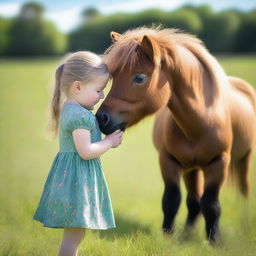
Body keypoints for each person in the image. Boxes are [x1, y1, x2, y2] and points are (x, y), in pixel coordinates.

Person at [33, 51, 123, 256]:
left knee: (75, 234)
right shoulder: (79, 116)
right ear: (77, 87)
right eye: (99, 90)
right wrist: (108, 142)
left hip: (71, 180)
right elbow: (86, 151)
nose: (102, 96)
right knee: (74, 236)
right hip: (75, 183)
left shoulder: (71, 109)